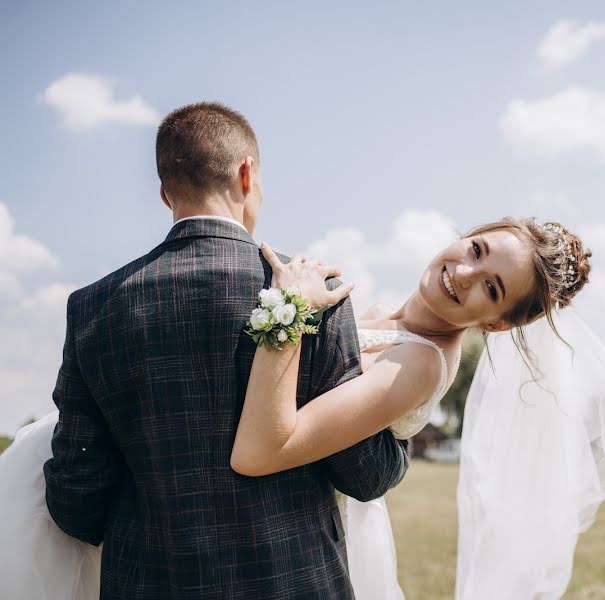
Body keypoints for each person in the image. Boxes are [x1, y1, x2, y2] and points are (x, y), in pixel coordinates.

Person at [0, 102, 409, 599]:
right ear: (246, 173)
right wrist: (402, 422)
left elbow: (77, 500)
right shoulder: (316, 292)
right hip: (295, 583)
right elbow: (364, 474)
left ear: (164, 192)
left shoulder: (92, 308)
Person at [231, 218, 605, 598]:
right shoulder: (380, 315)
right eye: (476, 250)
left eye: (492, 288)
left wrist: (290, 306)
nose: (464, 275)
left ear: (495, 323)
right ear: (466, 236)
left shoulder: (421, 364)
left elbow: (263, 449)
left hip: (329, 542)